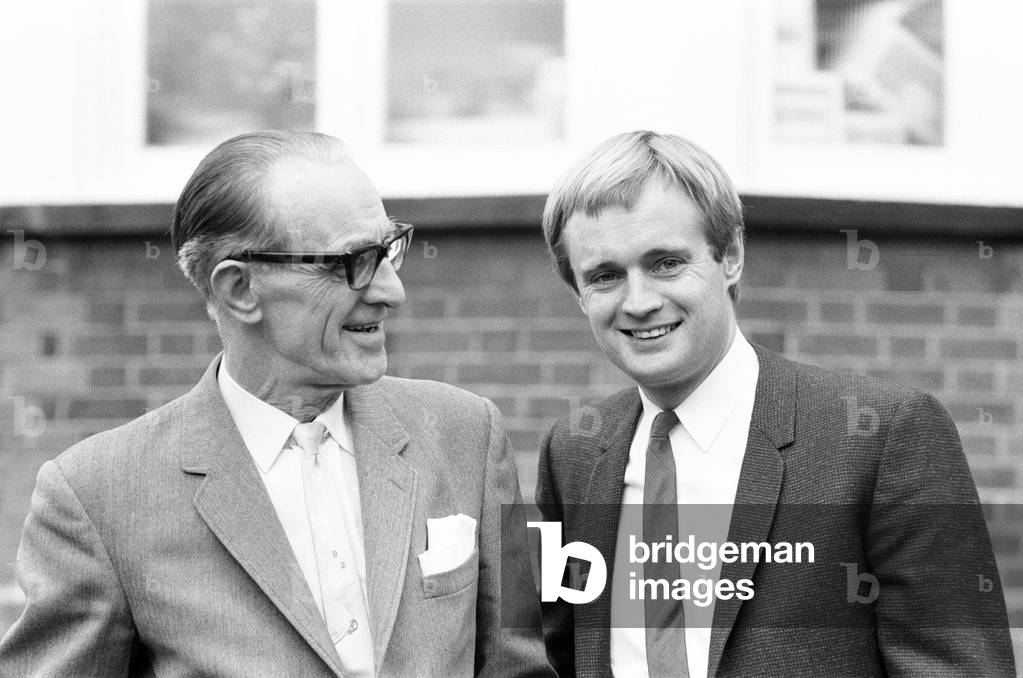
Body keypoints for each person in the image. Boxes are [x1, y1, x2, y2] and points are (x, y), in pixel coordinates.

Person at [0, 130, 553, 678]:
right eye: (352, 262)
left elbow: (522, 669)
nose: (390, 290)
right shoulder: (96, 496)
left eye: (388, 251)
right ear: (240, 290)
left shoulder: (469, 434)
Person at [534, 130, 1014, 677]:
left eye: (666, 263)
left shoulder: (883, 437)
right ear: (578, 293)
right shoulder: (570, 454)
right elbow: (553, 659)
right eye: (605, 276)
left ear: (731, 256)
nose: (639, 301)